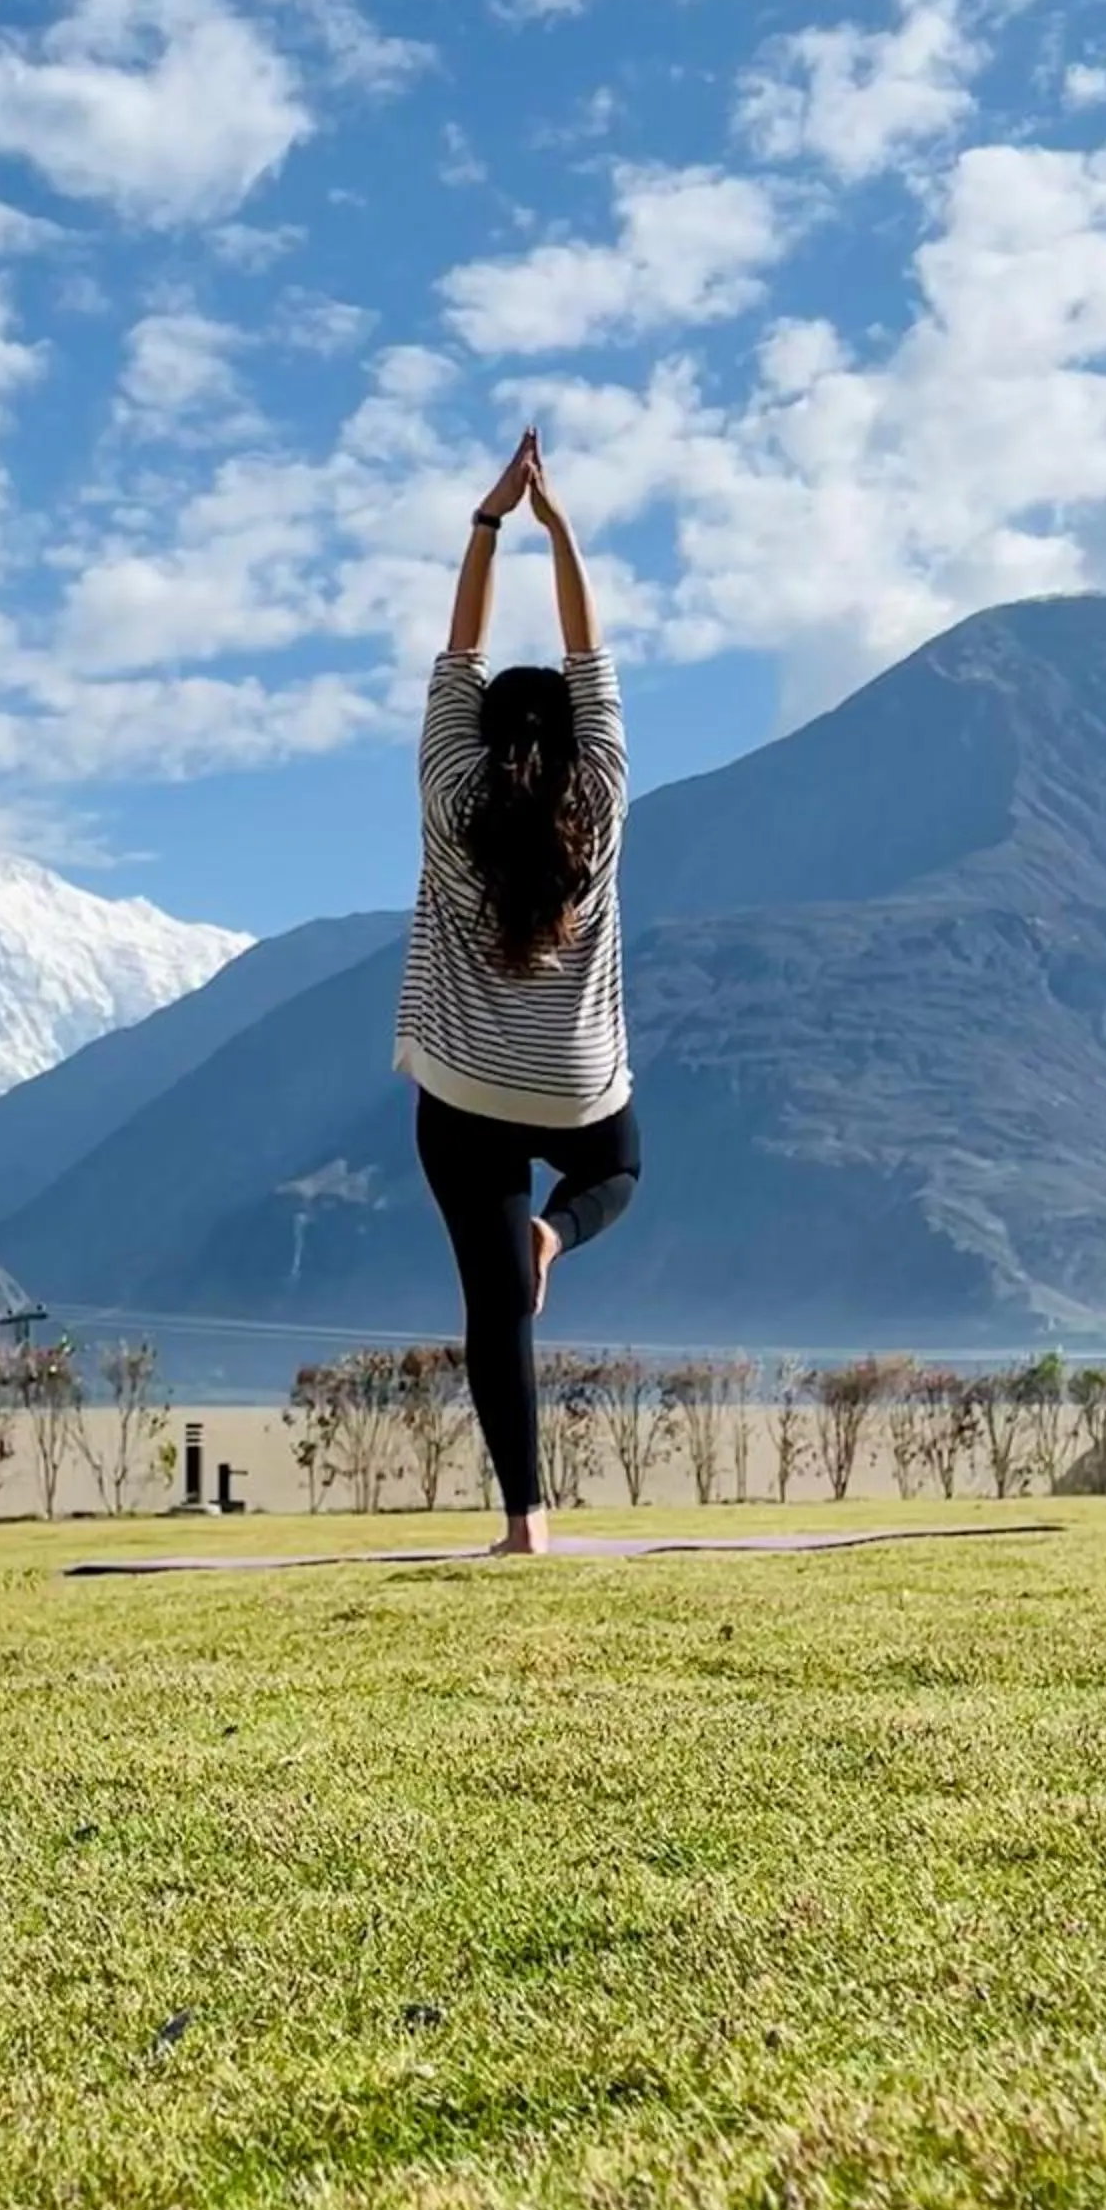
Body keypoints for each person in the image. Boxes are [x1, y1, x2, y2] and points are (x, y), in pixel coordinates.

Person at [393, 428, 639, 1556]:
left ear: (480, 739)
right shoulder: (600, 798)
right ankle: (556, 1232)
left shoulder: (449, 793)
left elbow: (461, 651)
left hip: (464, 1090)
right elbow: (593, 656)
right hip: (577, 1085)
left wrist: (487, 521)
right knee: (619, 1170)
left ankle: (524, 1523)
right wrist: (559, 527)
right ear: (578, 740)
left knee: (494, 1306)